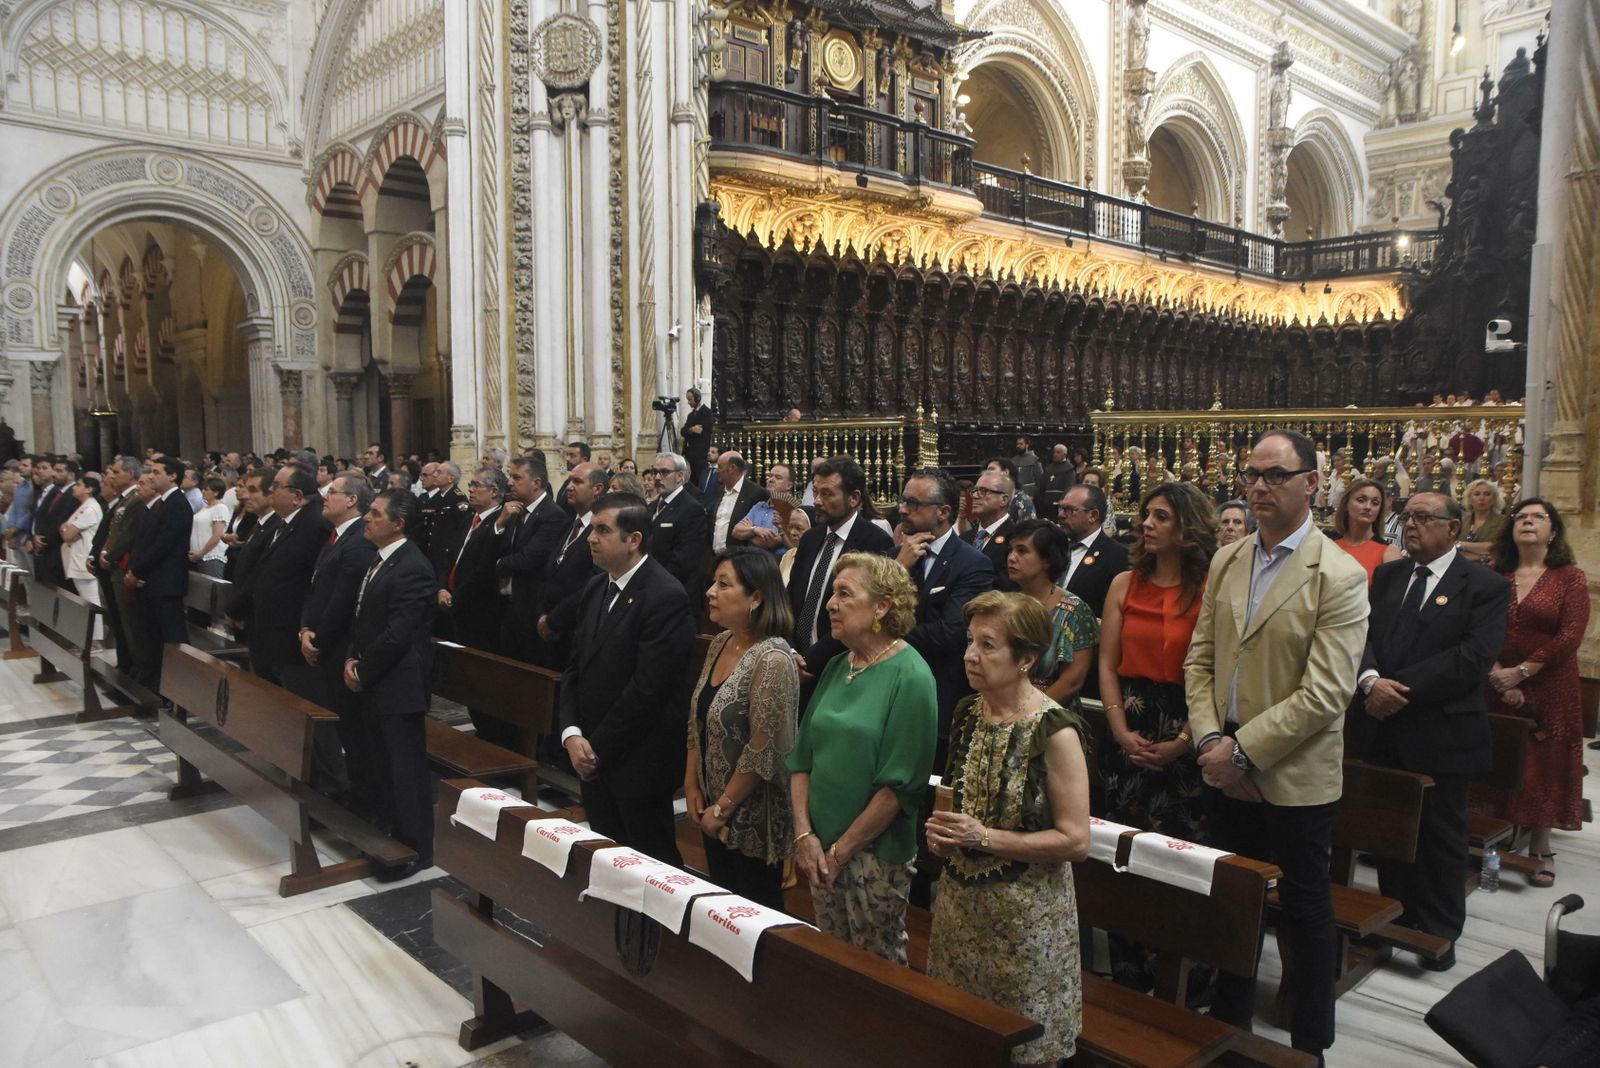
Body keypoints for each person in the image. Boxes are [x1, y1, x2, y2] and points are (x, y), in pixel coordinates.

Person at [1184, 428, 1369, 1060]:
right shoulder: (1228, 559)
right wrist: (1213, 740)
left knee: (1304, 910)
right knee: (1234, 901)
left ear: (1312, 483)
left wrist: (1242, 752)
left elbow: (1327, 693)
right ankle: (1230, 1028)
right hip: (1223, 759)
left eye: (1275, 475)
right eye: (1252, 475)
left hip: (1292, 772)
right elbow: (1201, 661)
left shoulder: (1338, 573)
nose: (1259, 487)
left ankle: (1310, 1044)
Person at [926, 591, 1091, 1066]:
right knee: (959, 1041)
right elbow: (959, 802)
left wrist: (982, 837)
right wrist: (942, 835)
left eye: (988, 645)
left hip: (1026, 924)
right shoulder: (967, 712)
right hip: (960, 915)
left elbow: (1076, 840)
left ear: (1027, 659)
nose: (970, 655)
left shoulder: (1055, 731)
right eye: (970, 641)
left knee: (1024, 1051)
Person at [1354, 492, 1508, 969]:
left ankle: (1439, 933)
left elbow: (1471, 659)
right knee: (1389, 831)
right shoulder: (1389, 575)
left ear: (1453, 528)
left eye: (1423, 517)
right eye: (1407, 517)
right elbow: (1363, 635)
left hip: (1442, 732)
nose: (1411, 525)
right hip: (1382, 725)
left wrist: (1396, 689)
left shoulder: (1483, 585)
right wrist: (1370, 681)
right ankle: (1394, 919)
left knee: (1440, 838)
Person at [788, 553, 937, 963]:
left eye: (844, 594)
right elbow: (802, 761)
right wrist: (804, 836)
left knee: (875, 968)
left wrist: (840, 853)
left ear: (882, 606)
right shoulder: (838, 666)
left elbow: (898, 789)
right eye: (832, 593)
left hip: (873, 856)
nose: (830, 604)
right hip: (818, 848)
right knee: (831, 959)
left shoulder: (912, 676)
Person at [560, 492, 696, 863]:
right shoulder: (596, 587)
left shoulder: (665, 595)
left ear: (633, 539)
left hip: (639, 760)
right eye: (592, 529)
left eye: (602, 530)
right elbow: (574, 668)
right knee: (608, 859)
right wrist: (572, 734)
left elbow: (648, 689)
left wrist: (595, 749)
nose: (591, 538)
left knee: (650, 865)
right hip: (592, 755)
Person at [1099, 482, 1216, 846]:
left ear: (1187, 527)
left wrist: (1183, 741)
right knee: (1119, 840)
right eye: (1146, 515)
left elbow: (1217, 672)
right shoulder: (1124, 584)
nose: (1147, 523)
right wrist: (1120, 731)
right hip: (1130, 718)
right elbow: (1107, 665)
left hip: (1191, 718)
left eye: (1161, 517)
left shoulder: (1212, 588)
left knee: (1178, 845)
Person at [1483, 499, 1590, 887]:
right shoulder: (1496, 573)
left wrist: (1522, 673)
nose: (1527, 522)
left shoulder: (1569, 577)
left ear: (1553, 531)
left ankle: (1540, 847)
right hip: (1495, 680)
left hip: (1550, 684)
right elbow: (1478, 625)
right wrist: (1498, 672)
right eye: (1521, 517)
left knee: (1544, 761)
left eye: (1537, 517)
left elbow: (1570, 635)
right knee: (1496, 756)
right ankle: (1492, 836)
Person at [684, 549, 799, 909]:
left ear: (756, 598)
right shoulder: (721, 642)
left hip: (750, 817)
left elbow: (763, 750)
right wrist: (691, 785)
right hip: (713, 805)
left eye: (724, 584)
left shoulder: (773, 658)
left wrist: (722, 808)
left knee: (750, 914)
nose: (710, 592)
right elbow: (698, 717)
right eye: (713, 582)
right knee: (718, 907)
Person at [344, 489, 437, 880]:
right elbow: (362, 616)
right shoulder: (381, 558)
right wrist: (352, 657)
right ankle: (389, 836)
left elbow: (398, 634)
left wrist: (363, 670)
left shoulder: (412, 566)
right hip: (376, 677)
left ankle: (416, 850)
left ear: (398, 523)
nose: (367, 518)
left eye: (376, 513)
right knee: (380, 765)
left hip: (399, 683)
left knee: (405, 773)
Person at [895, 468, 994, 745]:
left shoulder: (972, 563)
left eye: (914, 503)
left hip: (937, 697)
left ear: (943, 511)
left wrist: (886, 633)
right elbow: (866, 615)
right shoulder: (894, 559)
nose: (903, 509)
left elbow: (950, 633)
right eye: (903, 500)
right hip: (889, 689)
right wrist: (898, 569)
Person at [787, 456, 895, 685]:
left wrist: (810, 661)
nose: (817, 501)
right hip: (793, 662)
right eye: (815, 492)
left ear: (854, 498)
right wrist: (791, 652)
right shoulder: (810, 538)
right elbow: (790, 600)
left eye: (827, 494)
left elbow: (861, 616)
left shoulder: (875, 542)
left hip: (840, 667)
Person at [241, 465, 334, 686]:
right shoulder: (288, 520)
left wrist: (305, 626)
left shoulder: (314, 524)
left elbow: (314, 582)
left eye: (276, 486)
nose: (270, 490)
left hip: (291, 632)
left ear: (297, 496)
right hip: (273, 630)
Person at [1006, 519, 1097, 706]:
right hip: (1003, 705)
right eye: (1011, 550)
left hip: (1052, 712)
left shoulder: (1073, 610)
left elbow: (1072, 681)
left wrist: (1027, 713)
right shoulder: (1006, 605)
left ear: (1047, 560)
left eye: (1022, 551)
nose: (1011, 557)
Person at [126, 455, 196, 690]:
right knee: (154, 638)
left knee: (172, 639)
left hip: (167, 584)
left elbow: (163, 545)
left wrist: (137, 570)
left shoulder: (177, 504)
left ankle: (180, 690)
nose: (151, 476)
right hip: (154, 582)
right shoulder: (162, 503)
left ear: (172, 475)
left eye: (156, 472)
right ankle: (156, 685)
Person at [535, 462, 607, 670]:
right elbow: (549, 572)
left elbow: (594, 582)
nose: (569, 487)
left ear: (597, 489)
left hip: (576, 630)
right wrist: (542, 614)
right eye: (569, 481)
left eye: (577, 481)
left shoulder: (602, 531)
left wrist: (554, 620)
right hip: (551, 629)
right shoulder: (568, 524)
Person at [495, 456, 565, 665]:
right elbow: (498, 548)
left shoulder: (552, 515)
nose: (509, 482)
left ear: (536, 483)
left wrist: (496, 564)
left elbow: (528, 559)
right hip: (508, 604)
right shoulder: (514, 510)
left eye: (517, 477)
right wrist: (500, 524)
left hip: (531, 606)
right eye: (510, 476)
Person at [435, 467, 509, 650]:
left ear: (494, 491)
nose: (470, 489)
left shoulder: (499, 522)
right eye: (470, 484)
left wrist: (456, 597)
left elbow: (484, 567)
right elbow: (450, 556)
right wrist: (442, 587)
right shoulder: (469, 517)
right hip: (451, 599)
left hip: (476, 607)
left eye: (476, 485)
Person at [1057, 483, 1130, 619]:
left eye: (1070, 510)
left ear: (1093, 515)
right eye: (1061, 508)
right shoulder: (1054, 546)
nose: (1061, 515)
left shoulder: (1117, 556)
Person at [645, 451, 710, 596]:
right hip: (649, 586)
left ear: (680, 476)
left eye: (664, 472)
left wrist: (653, 581)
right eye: (655, 472)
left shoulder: (692, 509)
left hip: (673, 590)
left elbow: (684, 560)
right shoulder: (651, 506)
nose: (657, 477)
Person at [1325, 477, 1403, 583]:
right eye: (1361, 500)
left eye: (1375, 503)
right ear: (1346, 504)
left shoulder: (1389, 552)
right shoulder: (1329, 545)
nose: (1368, 507)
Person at [966, 467, 1019, 591]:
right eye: (974, 490)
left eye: (983, 491)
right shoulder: (964, 538)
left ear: (1003, 499)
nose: (975, 496)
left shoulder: (1016, 538)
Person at [707, 451, 768, 554]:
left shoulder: (756, 493)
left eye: (720, 467)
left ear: (732, 468)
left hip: (741, 556)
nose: (716, 471)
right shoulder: (719, 490)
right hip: (716, 557)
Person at [59, 474, 104, 610]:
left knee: (90, 600)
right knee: (84, 601)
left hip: (83, 559)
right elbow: (63, 528)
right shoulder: (83, 506)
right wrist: (68, 531)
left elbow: (67, 535)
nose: (74, 488)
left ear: (89, 489)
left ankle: (97, 625)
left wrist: (68, 532)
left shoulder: (90, 508)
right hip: (76, 558)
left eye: (79, 485)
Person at [730, 462, 793, 554]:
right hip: (751, 559)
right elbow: (736, 532)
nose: (771, 480)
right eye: (770, 476)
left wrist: (749, 534)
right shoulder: (758, 506)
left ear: (789, 486)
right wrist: (755, 530)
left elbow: (768, 542)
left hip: (775, 562)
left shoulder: (792, 511)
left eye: (778, 477)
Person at [186, 476, 229, 578]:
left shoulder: (220, 508)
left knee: (212, 585)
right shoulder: (205, 508)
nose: (203, 491)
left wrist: (201, 553)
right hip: (198, 556)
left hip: (211, 556)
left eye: (206, 489)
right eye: (203, 489)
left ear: (216, 492)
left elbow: (217, 535)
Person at [1457, 478, 1506, 563]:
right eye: (1477, 494)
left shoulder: (1502, 521)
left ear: (1493, 499)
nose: (1482, 498)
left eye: (1487, 494)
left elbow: (1495, 548)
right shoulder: (1463, 521)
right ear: (1470, 499)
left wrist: (1462, 545)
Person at [680, 388, 715, 485]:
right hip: (690, 454)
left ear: (697, 398)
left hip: (700, 454)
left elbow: (700, 430)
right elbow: (683, 431)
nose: (688, 402)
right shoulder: (691, 415)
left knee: (700, 480)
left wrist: (690, 430)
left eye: (690, 400)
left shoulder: (706, 412)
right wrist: (691, 429)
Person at [1039, 443, 1078, 517]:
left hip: (1060, 503)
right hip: (1046, 502)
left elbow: (1069, 486)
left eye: (1058, 452)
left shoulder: (1069, 469)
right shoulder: (1049, 468)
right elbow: (1042, 484)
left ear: (1064, 454)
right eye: (1054, 452)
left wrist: (1063, 498)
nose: (1055, 454)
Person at [776, 507, 811, 586]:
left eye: (799, 528)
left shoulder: (818, 559)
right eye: (790, 527)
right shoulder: (788, 555)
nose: (792, 532)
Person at [1011, 437, 1043, 503]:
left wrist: (1034, 495)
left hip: (1030, 494)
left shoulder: (1035, 460)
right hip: (1015, 493)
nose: (1018, 446)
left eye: (1021, 444)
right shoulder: (1013, 460)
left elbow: (1040, 480)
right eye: (1017, 444)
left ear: (1027, 445)